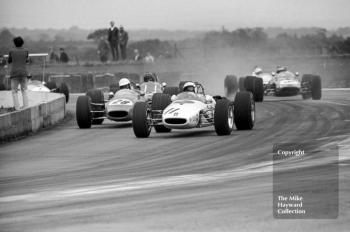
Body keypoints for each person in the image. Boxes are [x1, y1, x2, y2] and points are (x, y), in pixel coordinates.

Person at [8, 36, 29, 110]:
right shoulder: (26, 51)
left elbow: (9, 61)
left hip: (14, 74)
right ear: (22, 43)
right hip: (24, 73)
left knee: (14, 91)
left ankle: (17, 108)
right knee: (24, 90)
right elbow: (26, 60)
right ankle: (26, 107)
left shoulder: (11, 51)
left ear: (14, 43)